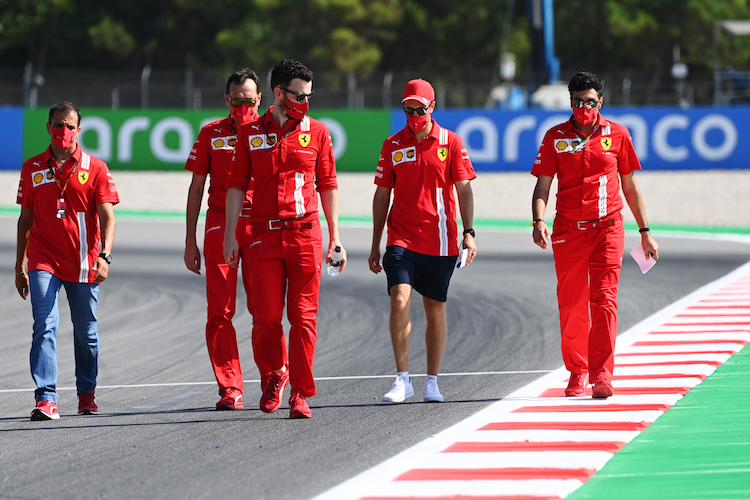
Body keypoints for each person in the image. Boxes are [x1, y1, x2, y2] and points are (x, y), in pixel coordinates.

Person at [224, 59, 345, 419]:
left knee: (304, 317)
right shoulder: (249, 133)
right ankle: (275, 373)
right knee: (265, 317)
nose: (306, 101)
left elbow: (328, 185)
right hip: (262, 235)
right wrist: (232, 235)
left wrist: (335, 235)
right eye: (299, 94)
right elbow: (234, 187)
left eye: (309, 95)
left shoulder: (319, 132)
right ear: (278, 94)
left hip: (306, 234)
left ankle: (301, 393)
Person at [531, 71, 659, 399]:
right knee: (572, 304)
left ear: (600, 101)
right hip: (567, 230)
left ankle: (601, 374)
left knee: (604, 301)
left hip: (608, 228)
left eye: (589, 102)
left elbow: (629, 185)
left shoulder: (617, 134)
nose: (584, 107)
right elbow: (542, 184)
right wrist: (538, 220)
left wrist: (645, 232)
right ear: (570, 102)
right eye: (577, 102)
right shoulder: (554, 136)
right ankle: (577, 373)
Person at [369, 78, 477, 404]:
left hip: (440, 241)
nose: (413, 114)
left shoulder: (451, 142)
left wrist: (469, 233)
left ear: (432, 107)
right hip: (400, 239)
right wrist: (376, 244)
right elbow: (382, 194)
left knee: (434, 310)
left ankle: (432, 381)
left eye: (419, 109)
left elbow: (464, 190)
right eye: (408, 108)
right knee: (399, 299)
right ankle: (402, 379)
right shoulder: (392, 144)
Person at [15, 101, 119, 421]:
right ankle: (46, 397)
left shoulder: (96, 167)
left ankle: (86, 393)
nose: (63, 131)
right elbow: (25, 220)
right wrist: (20, 266)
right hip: (43, 260)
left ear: (79, 130)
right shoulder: (32, 167)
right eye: (57, 125)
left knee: (85, 333)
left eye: (69, 126)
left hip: (84, 262)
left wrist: (105, 256)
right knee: (44, 325)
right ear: (48, 128)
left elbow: (108, 218)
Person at [184, 68, 261, 411]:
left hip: (261, 227)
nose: (243, 106)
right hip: (218, 225)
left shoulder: (272, 132)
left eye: (249, 100)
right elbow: (196, 187)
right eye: (237, 100)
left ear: (260, 99)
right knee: (219, 310)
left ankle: (275, 376)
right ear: (227, 100)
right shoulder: (210, 133)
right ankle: (230, 387)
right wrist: (189, 240)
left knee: (266, 310)